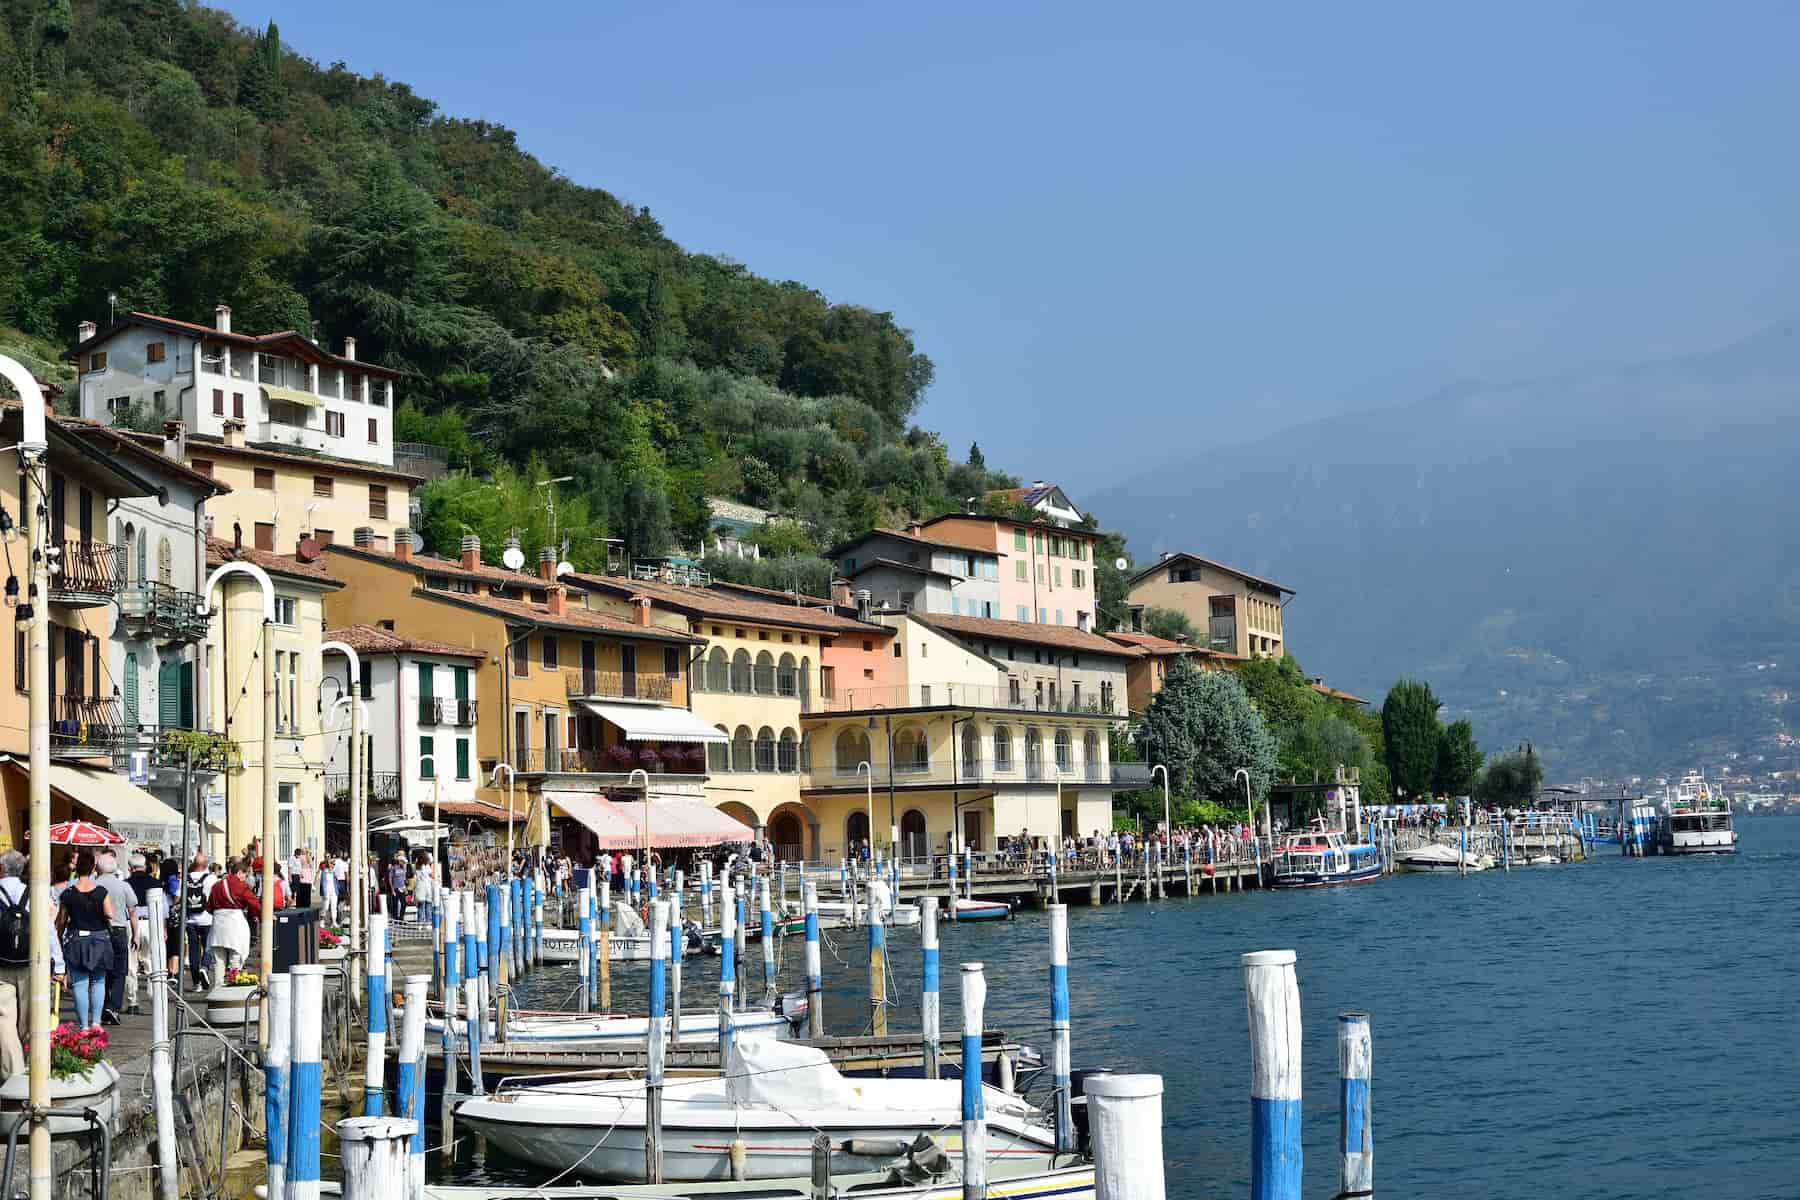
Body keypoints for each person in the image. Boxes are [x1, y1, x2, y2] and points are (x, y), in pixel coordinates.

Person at [56, 850, 115, 1031]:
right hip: (99, 939)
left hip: (76, 940)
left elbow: (61, 921)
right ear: (93, 868)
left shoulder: (68, 893)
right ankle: (96, 1022)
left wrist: (58, 939)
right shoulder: (101, 892)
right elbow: (110, 913)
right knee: (98, 981)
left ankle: (83, 1026)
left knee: (79, 984)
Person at [94, 849, 138, 1023]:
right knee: (120, 971)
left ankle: (104, 1005)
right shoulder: (123, 885)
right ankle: (114, 1006)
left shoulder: (94, 885)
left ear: (98, 867)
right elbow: (132, 911)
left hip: (99, 930)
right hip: (119, 930)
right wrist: (135, 935)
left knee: (101, 971)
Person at [206, 857, 260, 981]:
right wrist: (262, 915)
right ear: (239, 873)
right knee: (235, 956)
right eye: (245, 875)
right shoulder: (241, 886)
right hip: (235, 923)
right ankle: (233, 984)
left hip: (218, 926)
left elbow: (209, 907)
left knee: (219, 960)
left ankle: (218, 987)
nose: (245, 878)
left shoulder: (217, 885)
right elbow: (254, 903)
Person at [184, 853, 217, 989]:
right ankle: (204, 967)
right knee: (209, 947)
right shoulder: (212, 878)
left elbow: (179, 897)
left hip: (190, 920)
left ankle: (196, 982)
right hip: (207, 918)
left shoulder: (185, 878)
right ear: (206, 864)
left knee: (193, 951)